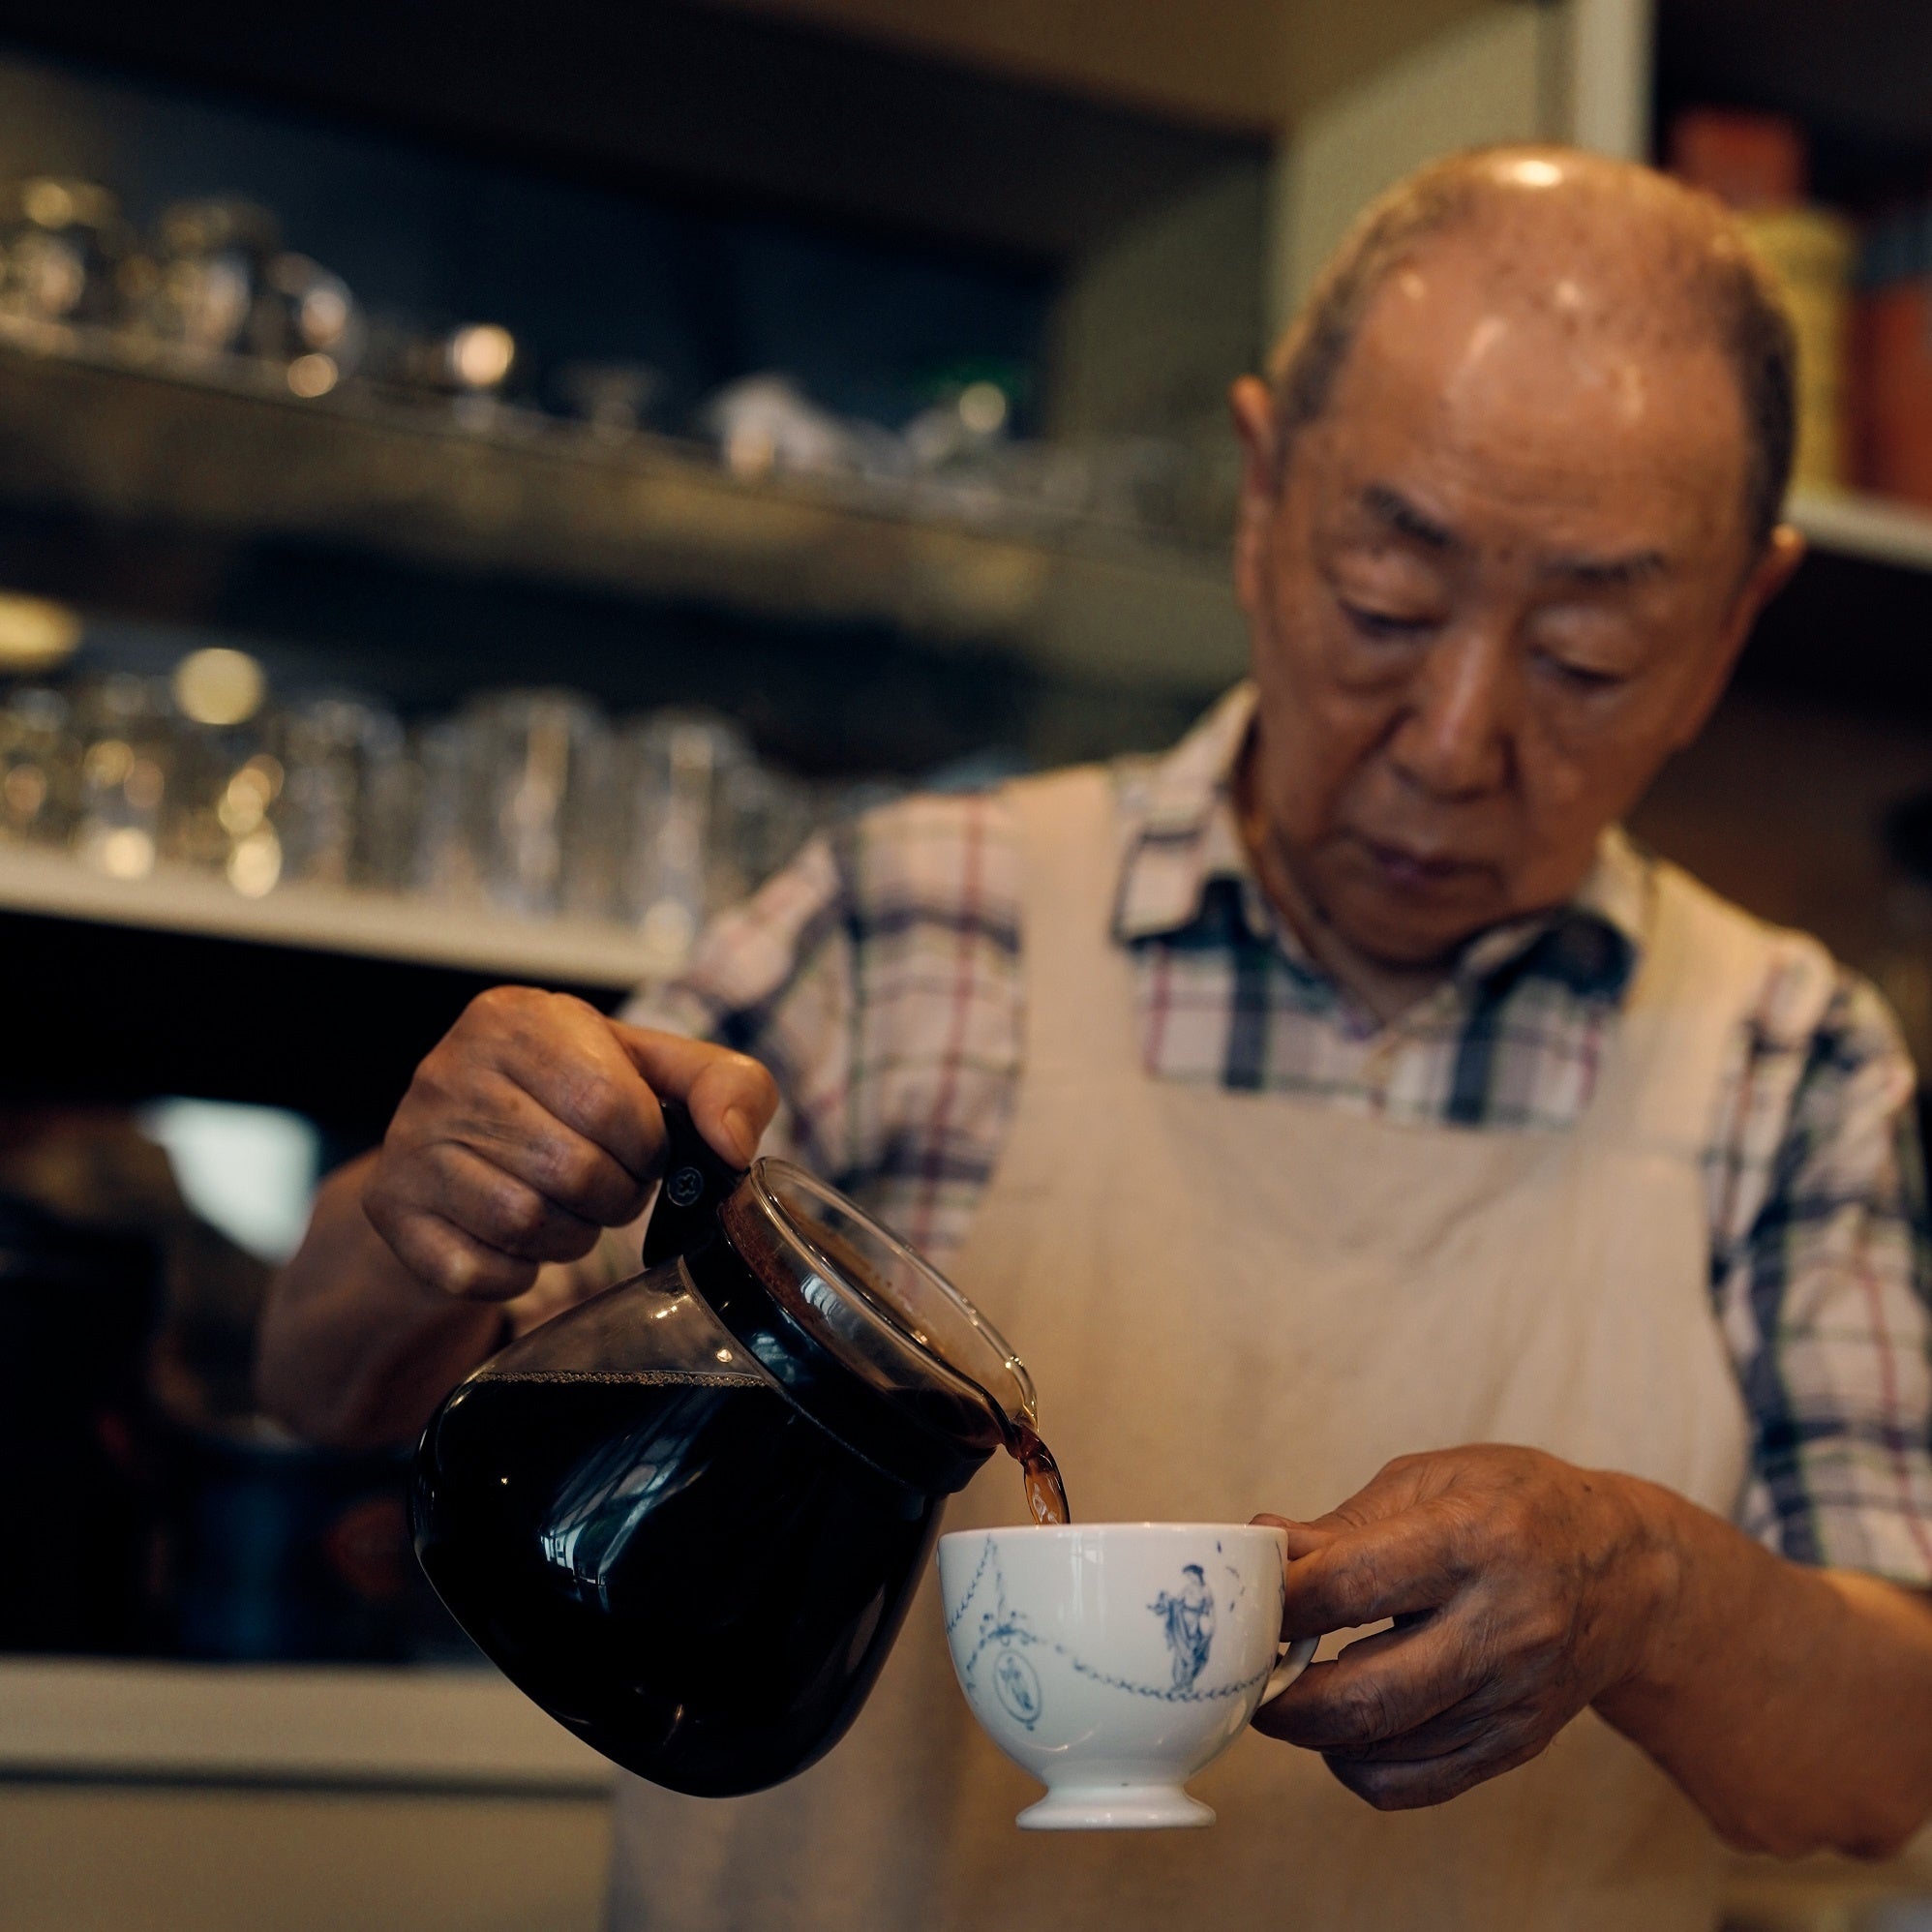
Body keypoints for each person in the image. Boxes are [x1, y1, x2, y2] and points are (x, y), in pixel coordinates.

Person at [259, 146, 1932, 1932]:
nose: (1453, 742)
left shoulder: (1785, 1057)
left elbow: (1886, 1759)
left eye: (1589, 660)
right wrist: (425, 1207)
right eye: (1386, 609)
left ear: (1737, 619)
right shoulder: (909, 920)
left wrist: (1645, 1588)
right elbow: (336, 1384)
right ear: (1264, 488)